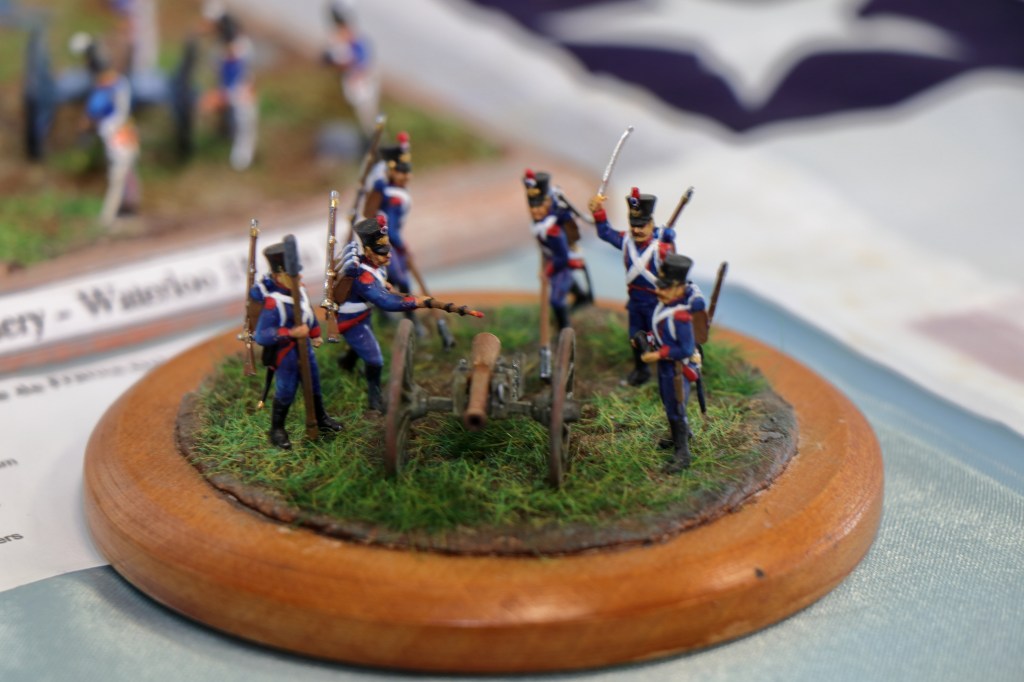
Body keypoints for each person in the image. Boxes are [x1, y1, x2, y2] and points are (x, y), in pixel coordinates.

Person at [334, 216, 430, 411]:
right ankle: (374, 396)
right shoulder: (364, 276)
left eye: (388, 250)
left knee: (362, 343)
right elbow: (384, 302)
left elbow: (377, 280)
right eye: (382, 252)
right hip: (352, 320)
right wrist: (416, 302)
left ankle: (346, 362)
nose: (388, 256)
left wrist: (382, 283)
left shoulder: (373, 265)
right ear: (368, 251)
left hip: (363, 314)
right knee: (375, 359)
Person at [254, 241, 342, 449]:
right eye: (292, 274)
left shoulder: (300, 290)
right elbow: (262, 335)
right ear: (279, 276)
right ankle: (277, 429)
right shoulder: (273, 303)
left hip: (306, 349)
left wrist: (315, 333)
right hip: (286, 354)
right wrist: (290, 333)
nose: (299, 276)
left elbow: (308, 313)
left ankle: (321, 419)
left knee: (314, 384)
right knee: (286, 390)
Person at [589, 186, 675, 385]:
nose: (636, 230)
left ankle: (668, 373)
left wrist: (670, 242)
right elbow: (605, 232)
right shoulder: (626, 241)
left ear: (651, 223)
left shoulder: (660, 248)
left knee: (662, 338)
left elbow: (674, 272)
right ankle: (641, 370)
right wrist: (598, 212)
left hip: (656, 302)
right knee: (635, 339)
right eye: (633, 225)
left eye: (642, 225)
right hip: (636, 302)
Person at [639, 253, 706, 473]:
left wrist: (659, 355)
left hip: (677, 369)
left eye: (665, 288)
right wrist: (647, 339)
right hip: (666, 368)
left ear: (678, 288)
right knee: (670, 405)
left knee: (676, 409)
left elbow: (685, 349)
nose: (659, 291)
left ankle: (682, 454)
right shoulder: (664, 306)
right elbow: (662, 334)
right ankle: (681, 435)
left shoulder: (681, 317)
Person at [73, 33, 141, 227]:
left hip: (120, 134)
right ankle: (125, 209)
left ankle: (109, 216)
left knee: (119, 175)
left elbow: (101, 111)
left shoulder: (115, 86)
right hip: (114, 134)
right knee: (123, 173)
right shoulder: (106, 88)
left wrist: (90, 121)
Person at [362, 134, 422, 332]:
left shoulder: (392, 190)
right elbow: (392, 228)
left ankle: (399, 317)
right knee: (400, 280)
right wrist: (402, 246)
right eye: (401, 172)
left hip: (390, 240)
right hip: (387, 241)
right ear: (391, 172)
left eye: (407, 172)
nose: (406, 176)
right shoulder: (392, 196)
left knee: (391, 279)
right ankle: (408, 317)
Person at [200, 2, 257, 170]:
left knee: (243, 117)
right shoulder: (220, 47)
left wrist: (221, 96)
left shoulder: (239, 48)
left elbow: (239, 78)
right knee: (228, 117)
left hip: (239, 91)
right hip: (227, 88)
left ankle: (243, 155)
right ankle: (225, 134)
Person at [322, 0, 378, 135]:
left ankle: (370, 133)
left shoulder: (352, 39)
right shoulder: (337, 39)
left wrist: (356, 70)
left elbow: (362, 57)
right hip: (347, 83)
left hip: (357, 81)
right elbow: (328, 59)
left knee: (365, 112)